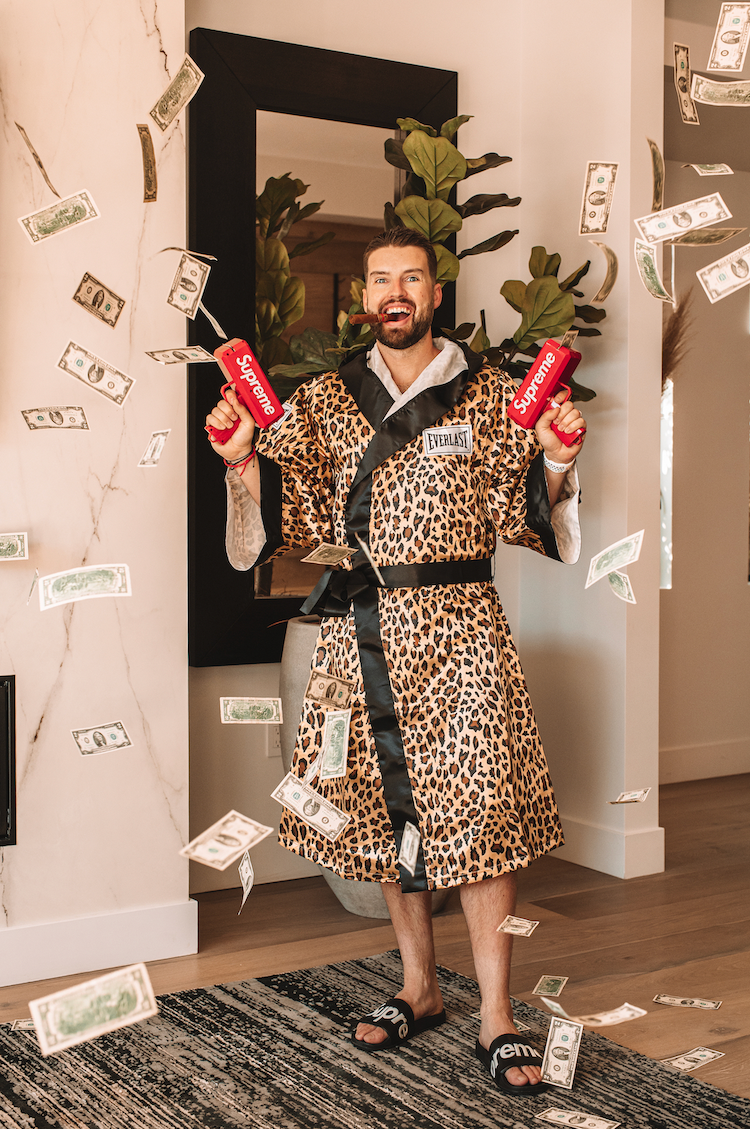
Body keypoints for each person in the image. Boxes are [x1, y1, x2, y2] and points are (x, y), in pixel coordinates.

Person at [206, 226, 585, 1096]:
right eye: (382, 279)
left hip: (465, 630)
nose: (396, 293)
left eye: (412, 277)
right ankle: (421, 986)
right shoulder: (324, 400)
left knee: (483, 817)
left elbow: (521, 507)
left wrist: (559, 456)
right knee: (385, 815)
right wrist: (242, 459)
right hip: (362, 632)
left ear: (435, 293)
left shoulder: (491, 394)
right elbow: (293, 513)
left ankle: (498, 1012)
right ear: (364, 296)